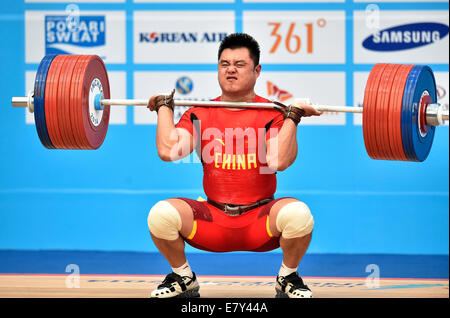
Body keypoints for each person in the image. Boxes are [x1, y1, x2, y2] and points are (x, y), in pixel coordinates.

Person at [146, 33, 322, 298]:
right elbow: (168, 151)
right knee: (160, 214)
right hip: (212, 221)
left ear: (257, 70)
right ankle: (183, 277)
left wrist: (292, 116)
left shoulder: (273, 113)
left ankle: (287, 277)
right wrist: (163, 108)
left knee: (298, 214)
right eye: (224, 63)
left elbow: (279, 161)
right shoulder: (200, 112)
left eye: (239, 64)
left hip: (260, 223)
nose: (230, 69)